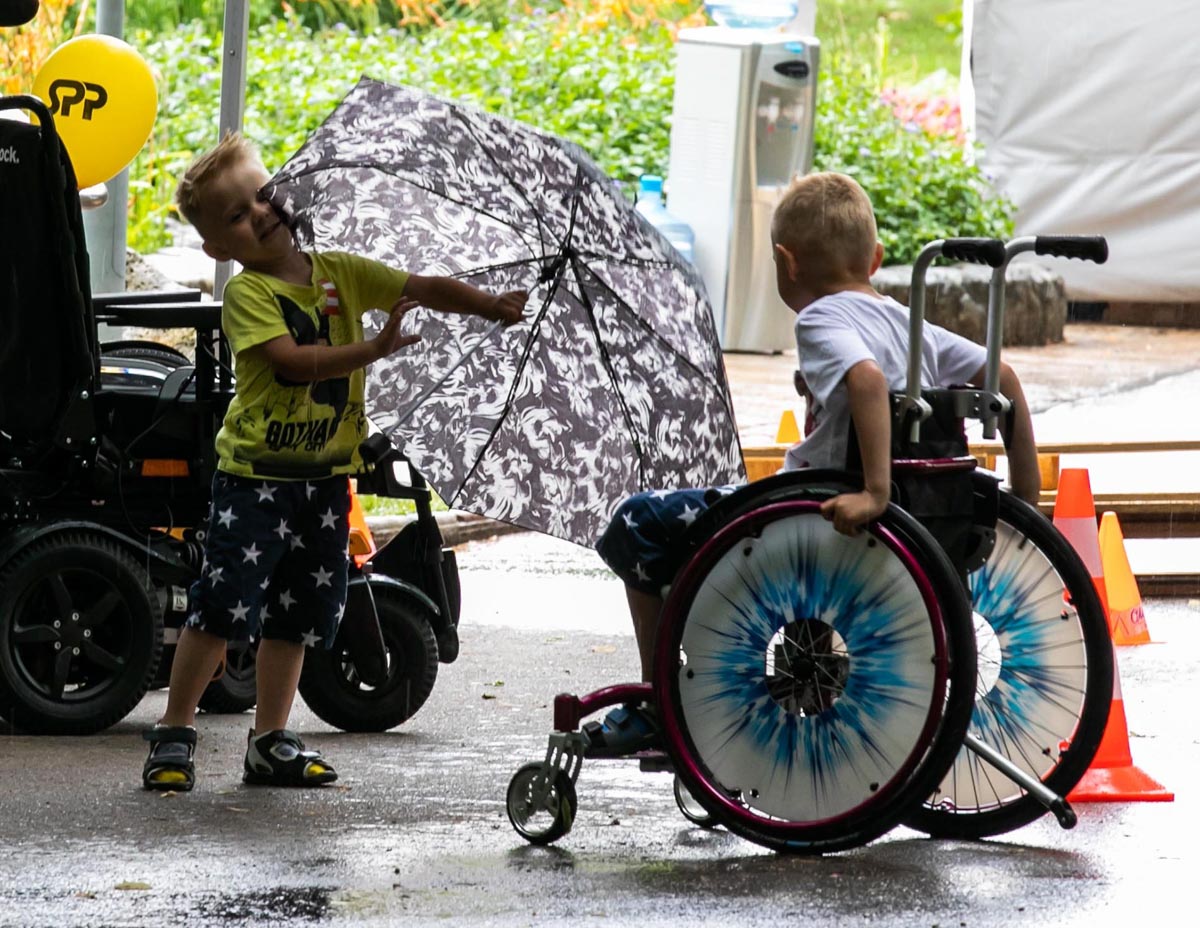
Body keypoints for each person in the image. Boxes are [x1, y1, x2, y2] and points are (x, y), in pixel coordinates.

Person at [588, 171, 1039, 755]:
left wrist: (875, 492)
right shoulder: (910, 327)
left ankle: (662, 702)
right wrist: (1027, 506)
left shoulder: (821, 318)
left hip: (812, 511)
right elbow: (1004, 379)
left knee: (636, 525)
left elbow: (867, 380)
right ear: (875, 258)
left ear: (786, 262)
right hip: (922, 518)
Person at [141, 133, 527, 791]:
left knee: (294, 616)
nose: (259, 214)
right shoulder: (248, 295)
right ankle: (175, 732)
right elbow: (292, 364)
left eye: (263, 195)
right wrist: (374, 348)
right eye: (236, 215)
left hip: (322, 483)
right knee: (222, 610)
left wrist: (491, 306)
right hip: (256, 481)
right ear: (217, 247)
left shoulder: (341, 272)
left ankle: (270, 739)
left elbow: (422, 285)